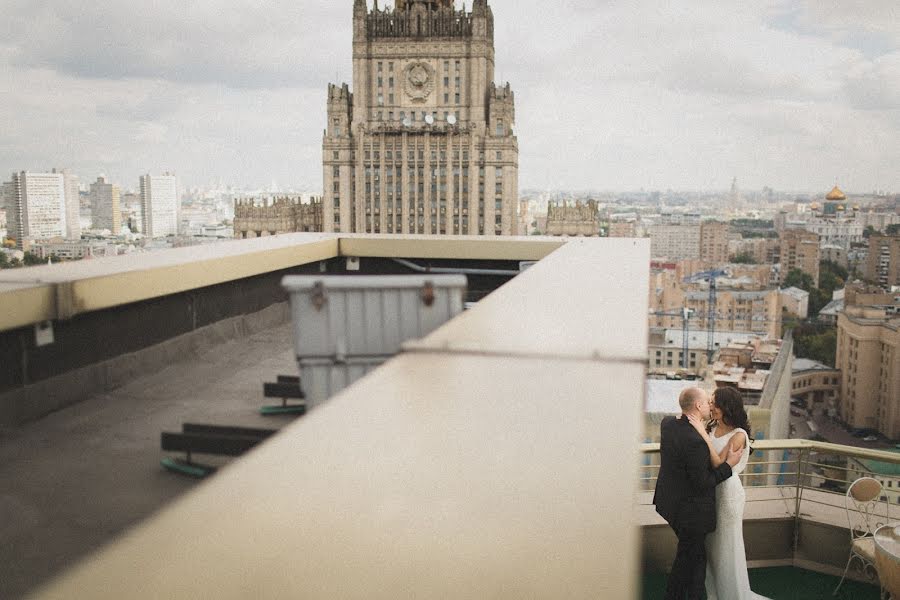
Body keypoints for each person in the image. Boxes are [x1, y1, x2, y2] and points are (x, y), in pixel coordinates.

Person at [654, 387, 742, 600]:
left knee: (694, 556)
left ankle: (687, 595)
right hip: (691, 513)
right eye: (707, 402)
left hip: (670, 504)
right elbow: (705, 483)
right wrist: (729, 465)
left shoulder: (668, 424)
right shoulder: (695, 441)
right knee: (690, 559)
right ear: (698, 406)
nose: (710, 406)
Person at [685, 386, 770, 600]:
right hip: (711, 493)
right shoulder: (712, 426)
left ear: (726, 406)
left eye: (714, 403)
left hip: (728, 495)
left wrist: (703, 435)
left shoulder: (739, 435)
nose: (710, 406)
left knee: (726, 549)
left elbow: (719, 463)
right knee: (712, 549)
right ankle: (715, 595)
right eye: (710, 402)